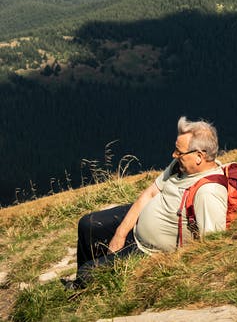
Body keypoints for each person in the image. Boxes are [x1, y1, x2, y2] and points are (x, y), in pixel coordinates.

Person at [66, 116, 228, 289]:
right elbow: (150, 194)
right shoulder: (180, 167)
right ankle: (88, 279)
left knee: (88, 272)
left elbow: (212, 246)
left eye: (179, 152)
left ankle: (85, 291)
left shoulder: (208, 191)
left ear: (199, 156)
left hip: (150, 251)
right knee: (87, 225)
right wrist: (120, 234)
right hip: (137, 226)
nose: (174, 155)